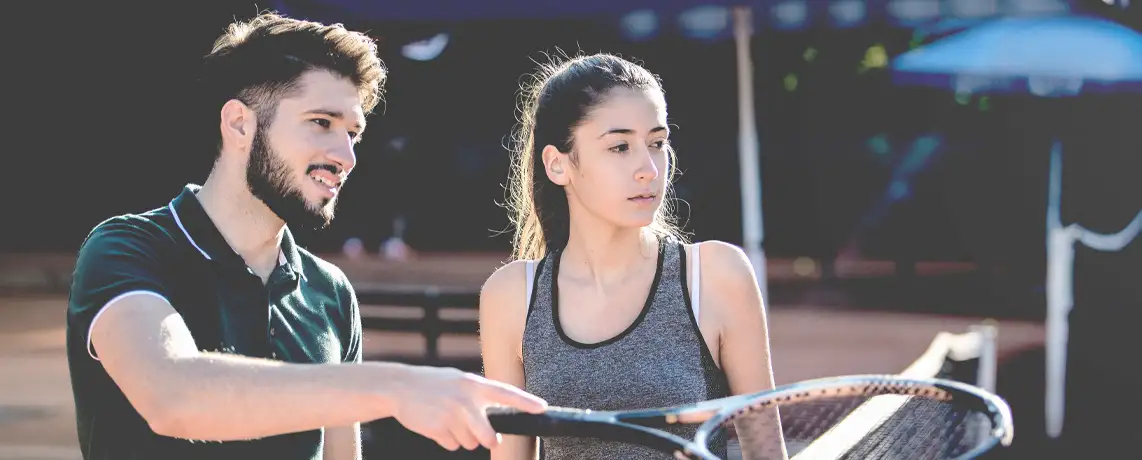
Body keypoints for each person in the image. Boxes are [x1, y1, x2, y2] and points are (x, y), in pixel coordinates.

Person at [65, 12, 546, 460]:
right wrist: (398, 386)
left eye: (353, 133)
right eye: (321, 123)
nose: (346, 155)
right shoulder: (126, 248)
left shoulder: (329, 292)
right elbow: (171, 396)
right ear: (239, 124)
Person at [478, 53, 788, 460]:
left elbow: (766, 452)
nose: (649, 169)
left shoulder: (714, 275)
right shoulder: (510, 294)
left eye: (657, 144)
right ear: (558, 165)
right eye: (620, 147)